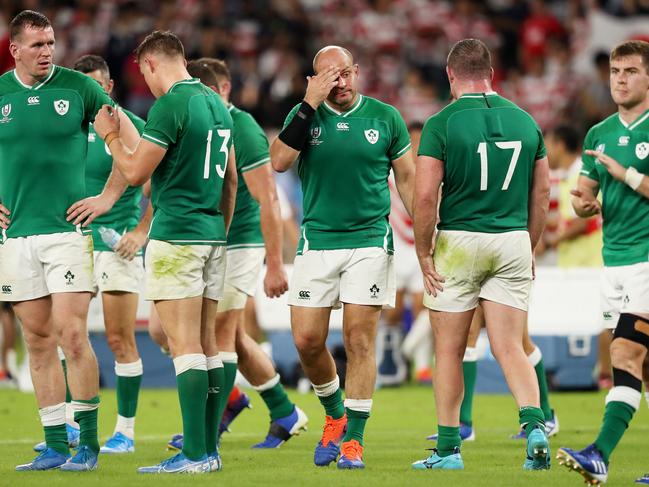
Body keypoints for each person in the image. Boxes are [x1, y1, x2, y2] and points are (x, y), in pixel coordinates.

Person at [92, 30, 237, 474]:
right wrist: (219, 230)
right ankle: (208, 451)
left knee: (185, 345)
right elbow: (231, 182)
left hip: (178, 235)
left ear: (152, 64)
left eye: (144, 74)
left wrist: (112, 136)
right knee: (209, 346)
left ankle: (194, 455)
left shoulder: (171, 104)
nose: (147, 84)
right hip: (213, 234)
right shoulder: (216, 104)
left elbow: (135, 173)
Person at [0, 10, 138, 472]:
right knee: (37, 340)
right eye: (37, 45)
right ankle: (56, 443)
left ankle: (90, 446)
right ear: (15, 48)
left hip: (67, 233)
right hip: (15, 234)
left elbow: (132, 144)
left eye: (51, 43)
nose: (47, 52)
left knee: (72, 334)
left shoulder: (80, 89)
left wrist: (108, 196)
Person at [271, 45, 415, 469]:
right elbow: (279, 161)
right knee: (307, 340)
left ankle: (353, 440)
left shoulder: (385, 117)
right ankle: (334, 414)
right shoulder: (304, 116)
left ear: (357, 72)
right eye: (330, 76)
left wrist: (426, 238)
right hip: (317, 240)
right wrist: (308, 104)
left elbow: (406, 179)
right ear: (314, 81)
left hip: (369, 240)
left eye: (346, 73)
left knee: (358, 339)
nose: (341, 82)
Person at [411, 38, 550, 471]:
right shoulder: (527, 121)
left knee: (450, 351)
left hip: (460, 240)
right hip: (512, 238)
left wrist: (422, 252)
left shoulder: (442, 123)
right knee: (510, 347)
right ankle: (536, 427)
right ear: (491, 73)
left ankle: (449, 450)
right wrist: (530, 242)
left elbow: (425, 194)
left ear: (451, 74)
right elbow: (542, 192)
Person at [160, 57, 307, 451]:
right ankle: (275, 410)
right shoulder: (197, 120)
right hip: (210, 239)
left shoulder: (242, 128)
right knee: (177, 331)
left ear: (223, 90)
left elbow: (268, 198)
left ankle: (206, 435)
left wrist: (274, 264)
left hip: (240, 240)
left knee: (221, 333)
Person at [557, 40, 649, 486]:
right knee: (643, 369)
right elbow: (583, 197)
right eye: (615, 71)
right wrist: (583, 204)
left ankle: (599, 454)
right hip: (615, 261)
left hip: (648, 260)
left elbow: (622, 178)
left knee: (624, 352)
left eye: (631, 71)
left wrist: (626, 175)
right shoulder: (599, 134)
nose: (620, 79)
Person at [74, 54, 152, 454]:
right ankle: (73, 423)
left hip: (115, 244)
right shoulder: (67, 126)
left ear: (107, 87)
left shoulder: (131, 127)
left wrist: (141, 231)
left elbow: (161, 182)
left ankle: (125, 430)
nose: (88, 93)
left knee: (120, 339)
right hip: (72, 243)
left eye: (95, 86)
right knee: (67, 336)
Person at [377, 121, 426, 387]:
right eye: (413, 140)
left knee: (421, 309)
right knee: (392, 311)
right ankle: (391, 364)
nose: (416, 145)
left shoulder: (432, 172)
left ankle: (421, 367)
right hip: (396, 246)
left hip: (419, 246)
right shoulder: (392, 172)